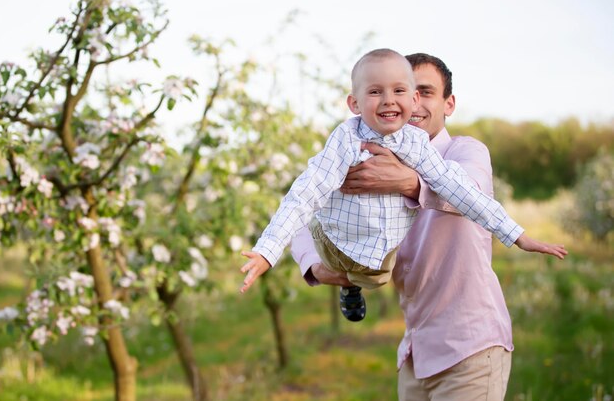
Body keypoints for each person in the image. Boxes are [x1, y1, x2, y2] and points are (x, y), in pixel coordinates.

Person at [291, 53, 567, 399]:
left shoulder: (466, 152)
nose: (415, 103)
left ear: (448, 104)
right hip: (415, 353)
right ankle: (353, 280)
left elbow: (471, 194)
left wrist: (407, 183)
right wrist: (317, 267)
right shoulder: (365, 151)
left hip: (470, 348)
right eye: (410, 92)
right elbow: (302, 210)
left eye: (427, 92)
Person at [240, 49, 566, 324]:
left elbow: (464, 191)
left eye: (405, 91)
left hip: (443, 310)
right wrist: (268, 253)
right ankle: (348, 276)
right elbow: (304, 195)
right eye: (376, 91)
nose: (389, 100)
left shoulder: (452, 150)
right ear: (354, 103)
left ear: (443, 103)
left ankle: (352, 283)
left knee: (377, 275)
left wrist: (517, 235)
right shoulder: (346, 140)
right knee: (318, 204)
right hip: (340, 241)